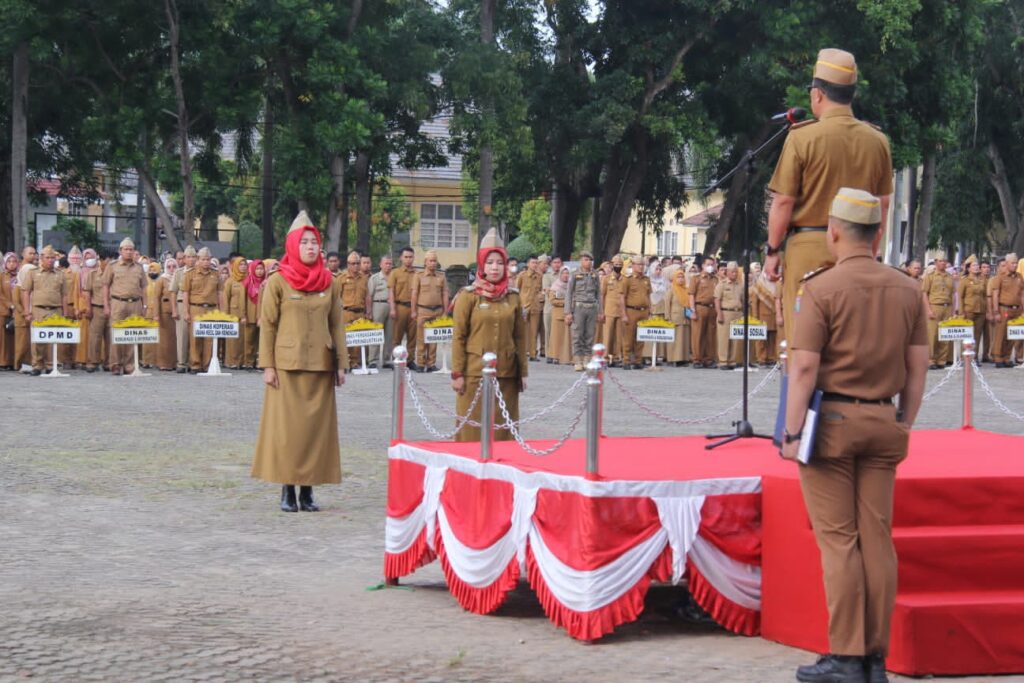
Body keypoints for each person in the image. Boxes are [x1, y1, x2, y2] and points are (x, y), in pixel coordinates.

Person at [782, 189, 927, 683]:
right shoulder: (908, 288)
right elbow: (917, 366)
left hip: (833, 426)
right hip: (883, 422)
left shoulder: (821, 288)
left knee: (840, 543)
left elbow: (804, 367)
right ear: (879, 234)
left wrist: (792, 429)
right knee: (877, 541)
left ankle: (845, 657)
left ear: (834, 231)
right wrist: (904, 419)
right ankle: (874, 659)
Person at [763, 48, 894, 345]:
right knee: (851, 339)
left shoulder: (802, 137)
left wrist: (772, 251)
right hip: (857, 250)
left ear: (818, 95)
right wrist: (871, 251)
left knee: (804, 342)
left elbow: (783, 201)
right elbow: (882, 205)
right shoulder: (877, 141)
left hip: (807, 249)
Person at [252, 212, 347, 513]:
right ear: (293, 245)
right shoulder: (278, 281)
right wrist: (267, 366)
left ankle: (307, 491)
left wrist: (341, 364)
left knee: (315, 433)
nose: (310, 247)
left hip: (320, 364)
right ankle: (286, 489)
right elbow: (267, 325)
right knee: (287, 432)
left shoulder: (329, 282)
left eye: (314, 242)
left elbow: (337, 324)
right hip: (286, 367)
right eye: (304, 242)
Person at [451, 228, 527, 441]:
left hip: (507, 374)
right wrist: (457, 373)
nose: (495, 267)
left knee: (504, 431)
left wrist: (523, 373)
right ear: (482, 265)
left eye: (500, 262)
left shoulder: (512, 297)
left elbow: (520, 337)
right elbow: (459, 336)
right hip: (473, 373)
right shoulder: (468, 296)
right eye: (490, 262)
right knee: (471, 431)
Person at [22, 245, 70, 375]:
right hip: (38, 310)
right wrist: (27, 311)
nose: (50, 260)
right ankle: (37, 365)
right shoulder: (32, 273)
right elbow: (26, 292)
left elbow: (64, 295)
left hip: (56, 310)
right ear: (41, 258)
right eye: (47, 257)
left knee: (53, 339)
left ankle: (51, 365)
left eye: (52, 258)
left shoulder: (60, 274)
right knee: (37, 339)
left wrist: (65, 314)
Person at [102, 237, 147, 375]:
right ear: (120, 251)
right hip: (117, 303)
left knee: (132, 334)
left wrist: (145, 306)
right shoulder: (112, 266)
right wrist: (106, 305)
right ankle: (115, 364)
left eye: (131, 249)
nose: (129, 252)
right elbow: (105, 286)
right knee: (116, 334)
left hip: (135, 303)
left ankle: (129, 364)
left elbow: (144, 287)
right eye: (126, 249)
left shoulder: (139, 267)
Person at [182, 247, 221, 372]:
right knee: (195, 338)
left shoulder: (216, 273)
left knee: (209, 337)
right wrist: (186, 311)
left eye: (208, 259)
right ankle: (195, 364)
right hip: (196, 308)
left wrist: (221, 311)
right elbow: (186, 294)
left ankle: (207, 364)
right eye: (203, 259)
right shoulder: (190, 273)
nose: (206, 262)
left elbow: (220, 293)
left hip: (211, 308)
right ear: (198, 259)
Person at [411, 249, 448, 372]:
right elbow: (414, 294)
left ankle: (431, 363)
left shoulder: (441, 277)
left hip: (437, 311)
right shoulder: (419, 276)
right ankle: (421, 363)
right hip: (422, 310)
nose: (433, 263)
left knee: (433, 339)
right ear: (425, 262)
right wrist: (413, 310)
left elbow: (445, 294)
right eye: (430, 261)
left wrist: (445, 312)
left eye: (435, 261)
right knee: (421, 338)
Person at [566, 251, 602, 371]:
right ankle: (578, 360)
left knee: (590, 335)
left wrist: (600, 311)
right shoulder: (575, 274)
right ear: (581, 261)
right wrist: (568, 312)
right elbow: (569, 293)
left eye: (590, 260)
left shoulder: (595, 274)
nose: (588, 262)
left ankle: (587, 359)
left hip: (592, 308)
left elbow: (599, 294)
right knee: (577, 335)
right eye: (586, 260)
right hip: (579, 307)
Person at [334, 251, 370, 369]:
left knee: (357, 339)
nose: (355, 266)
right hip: (346, 312)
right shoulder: (341, 278)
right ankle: (344, 363)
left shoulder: (364, 278)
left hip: (360, 312)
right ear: (348, 264)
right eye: (353, 263)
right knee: (345, 339)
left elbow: (367, 296)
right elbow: (337, 296)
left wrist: (368, 312)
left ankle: (354, 362)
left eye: (357, 263)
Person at [989, 253, 1024, 367]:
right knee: (1001, 334)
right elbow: (995, 295)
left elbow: (1022, 294)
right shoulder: (1000, 277)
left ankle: (1007, 357)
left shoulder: (1019, 277)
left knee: (1012, 334)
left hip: (1017, 310)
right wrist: (995, 311)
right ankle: (998, 357)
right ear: (1007, 264)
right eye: (1012, 263)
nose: (1015, 265)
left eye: (1016, 263)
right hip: (1004, 308)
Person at [388, 246, 419, 370]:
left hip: (413, 308)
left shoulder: (417, 274)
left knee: (413, 336)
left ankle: (410, 360)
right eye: (406, 257)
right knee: (397, 336)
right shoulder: (395, 273)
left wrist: (415, 310)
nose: (408, 260)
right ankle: (396, 359)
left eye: (410, 257)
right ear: (401, 258)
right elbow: (391, 291)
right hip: (399, 306)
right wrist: (392, 308)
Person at [921, 256, 954, 369]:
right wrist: (928, 310)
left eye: (944, 261)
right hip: (934, 306)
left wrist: (953, 310)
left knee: (945, 334)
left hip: (947, 307)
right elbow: (924, 293)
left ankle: (941, 359)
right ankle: (931, 359)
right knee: (932, 334)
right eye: (940, 261)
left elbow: (953, 294)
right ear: (935, 263)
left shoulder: (950, 277)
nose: (943, 263)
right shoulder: (930, 276)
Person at [620, 257, 652, 369]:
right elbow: (622, 297)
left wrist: (650, 311)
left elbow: (648, 296)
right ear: (633, 265)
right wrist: (623, 314)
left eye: (642, 264)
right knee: (628, 337)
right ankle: (626, 360)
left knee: (641, 337)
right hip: (631, 310)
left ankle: (638, 361)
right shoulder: (627, 279)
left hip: (643, 311)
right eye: (638, 264)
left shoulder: (646, 279)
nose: (641, 266)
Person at [714, 261, 744, 370]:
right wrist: (719, 314)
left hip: (738, 313)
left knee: (735, 338)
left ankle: (732, 361)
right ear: (727, 272)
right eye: (732, 272)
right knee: (723, 338)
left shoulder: (740, 285)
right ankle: (723, 361)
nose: (734, 274)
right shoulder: (721, 284)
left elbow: (743, 300)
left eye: (736, 272)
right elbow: (717, 300)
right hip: (725, 312)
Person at [221, 257, 250, 369]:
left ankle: (241, 362)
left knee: (242, 339)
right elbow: (226, 299)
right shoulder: (230, 281)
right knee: (232, 340)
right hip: (233, 313)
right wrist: (226, 315)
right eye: (240, 264)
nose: (243, 266)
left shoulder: (249, 279)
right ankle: (230, 361)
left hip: (245, 313)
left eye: (244, 264)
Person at [689, 258, 718, 368]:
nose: (710, 266)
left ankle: (709, 359)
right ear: (703, 265)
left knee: (710, 335)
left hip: (712, 308)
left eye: (712, 264)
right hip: (700, 307)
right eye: (708, 264)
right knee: (698, 335)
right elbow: (691, 295)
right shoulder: (696, 278)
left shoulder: (715, 279)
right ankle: (697, 359)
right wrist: (692, 311)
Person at [516, 255, 544, 361]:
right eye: (533, 262)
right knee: (522, 331)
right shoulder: (522, 276)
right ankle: (521, 353)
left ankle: (533, 354)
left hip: (535, 307)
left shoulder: (539, 276)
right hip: (524, 306)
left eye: (536, 263)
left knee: (534, 332)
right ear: (528, 264)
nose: (535, 265)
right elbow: (516, 290)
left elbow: (541, 290)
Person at [750, 271, 781, 366]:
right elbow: (754, 304)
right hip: (762, 316)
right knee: (761, 339)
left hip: (774, 315)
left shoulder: (777, 284)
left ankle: (771, 357)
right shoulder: (759, 286)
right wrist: (755, 318)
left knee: (772, 338)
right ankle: (761, 358)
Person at [367, 255, 393, 368]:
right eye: (386, 263)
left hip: (391, 306)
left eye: (390, 263)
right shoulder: (375, 278)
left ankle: (387, 360)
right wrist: (369, 311)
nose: (388, 266)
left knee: (390, 334)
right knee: (376, 333)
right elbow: (369, 295)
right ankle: (373, 360)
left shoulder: (394, 277)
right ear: (380, 265)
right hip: (378, 304)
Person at [600, 255, 626, 366]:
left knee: (619, 336)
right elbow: (602, 295)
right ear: (612, 265)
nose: (618, 267)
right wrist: (601, 311)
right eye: (616, 265)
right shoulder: (606, 279)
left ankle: (617, 357)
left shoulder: (625, 279)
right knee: (607, 336)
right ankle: (605, 358)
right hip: (608, 311)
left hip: (620, 312)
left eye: (620, 265)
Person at [663, 266, 691, 366]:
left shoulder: (686, 290)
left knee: (684, 340)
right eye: (678, 277)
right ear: (674, 278)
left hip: (685, 318)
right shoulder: (671, 290)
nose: (681, 279)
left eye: (682, 277)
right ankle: (672, 359)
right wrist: (667, 317)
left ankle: (683, 358)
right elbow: (667, 304)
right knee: (674, 340)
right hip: (674, 318)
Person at [240, 259, 264, 368]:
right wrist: (243, 315)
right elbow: (242, 300)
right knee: (249, 340)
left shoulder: (266, 282)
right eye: (257, 269)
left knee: (261, 341)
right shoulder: (247, 282)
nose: (259, 271)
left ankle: (259, 362)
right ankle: (248, 362)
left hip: (262, 316)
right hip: (250, 316)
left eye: (261, 268)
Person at [546, 266, 572, 364]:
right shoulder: (555, 286)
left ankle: (565, 357)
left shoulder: (571, 286)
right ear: (560, 275)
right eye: (563, 273)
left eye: (567, 273)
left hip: (568, 316)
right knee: (556, 337)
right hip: (557, 315)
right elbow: (553, 300)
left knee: (566, 338)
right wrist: (566, 302)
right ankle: (555, 356)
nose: (566, 275)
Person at [0, 252, 18, 369]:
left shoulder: (19, 275)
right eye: (9, 261)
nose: (12, 264)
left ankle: (13, 362)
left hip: (18, 311)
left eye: (14, 261)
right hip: (3, 310)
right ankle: (3, 362)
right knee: (3, 338)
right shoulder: (2, 276)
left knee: (15, 338)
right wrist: (10, 305)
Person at [542, 256, 562, 355]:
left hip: (561, 308)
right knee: (548, 331)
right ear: (551, 264)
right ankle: (548, 353)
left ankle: (558, 353)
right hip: (549, 308)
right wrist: (559, 292)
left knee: (559, 332)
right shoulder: (547, 276)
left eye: (558, 262)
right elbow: (547, 290)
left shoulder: (564, 275)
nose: (556, 264)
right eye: (554, 262)